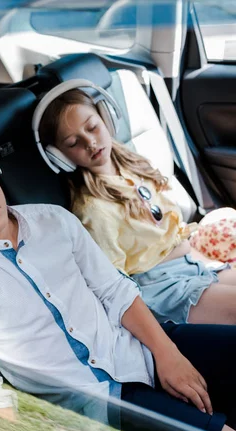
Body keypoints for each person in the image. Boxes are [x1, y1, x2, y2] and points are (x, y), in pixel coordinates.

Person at [0, 128, 236, 431]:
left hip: (137, 347)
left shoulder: (55, 221)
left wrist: (168, 354)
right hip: (100, 410)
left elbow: (115, 291)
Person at [35, 80, 236, 325]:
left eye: (92, 127)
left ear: (106, 118)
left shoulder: (130, 165)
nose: (90, 143)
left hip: (190, 262)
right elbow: (114, 283)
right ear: (60, 157)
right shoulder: (94, 211)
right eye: (73, 143)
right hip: (162, 287)